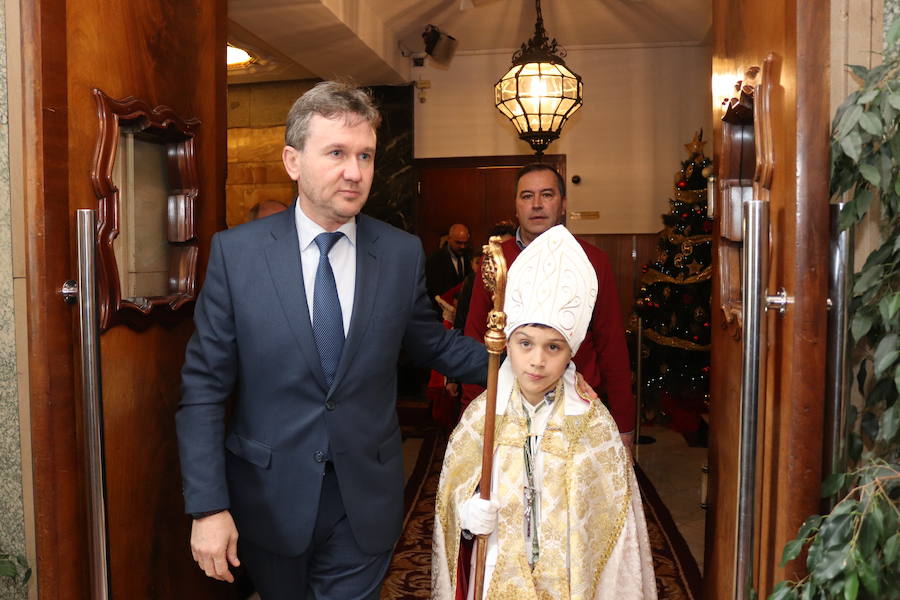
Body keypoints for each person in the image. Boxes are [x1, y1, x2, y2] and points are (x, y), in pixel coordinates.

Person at [176, 81, 489, 600]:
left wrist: (516, 362)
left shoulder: (399, 253)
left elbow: (431, 344)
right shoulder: (238, 255)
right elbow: (205, 388)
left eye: (365, 155)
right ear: (293, 161)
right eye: (337, 153)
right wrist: (208, 506)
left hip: (365, 497)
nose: (355, 171)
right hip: (268, 498)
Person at [432, 226, 657, 600]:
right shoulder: (481, 418)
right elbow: (452, 500)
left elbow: (614, 539)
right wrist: (467, 518)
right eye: (525, 344)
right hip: (494, 575)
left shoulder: (593, 426)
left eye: (553, 347)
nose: (537, 361)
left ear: (572, 351)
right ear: (508, 343)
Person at [463, 164, 636, 454]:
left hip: (576, 410)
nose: (537, 204)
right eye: (527, 196)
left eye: (547, 194)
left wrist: (623, 424)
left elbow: (611, 344)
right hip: (507, 410)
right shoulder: (496, 261)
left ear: (564, 204)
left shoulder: (593, 261)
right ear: (516, 206)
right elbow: (477, 337)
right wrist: (471, 412)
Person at [426, 223, 472, 306]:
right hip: (442, 310)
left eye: (465, 243)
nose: (462, 247)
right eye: (458, 243)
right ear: (449, 239)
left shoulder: (470, 256)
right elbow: (433, 291)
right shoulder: (435, 260)